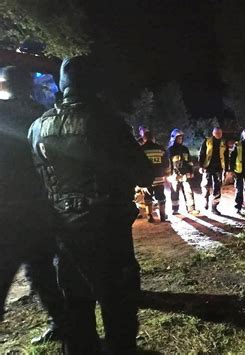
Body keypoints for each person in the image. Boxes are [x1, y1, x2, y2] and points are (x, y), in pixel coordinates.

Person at [28, 56, 154, 355]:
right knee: (118, 305)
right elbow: (143, 173)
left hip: (63, 228)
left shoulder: (37, 127)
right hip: (106, 226)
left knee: (76, 305)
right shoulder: (105, 121)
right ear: (95, 84)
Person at [0, 66, 66, 344]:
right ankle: (62, 324)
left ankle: (62, 324)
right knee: (41, 271)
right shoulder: (42, 114)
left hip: (9, 210)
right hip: (39, 207)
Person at [140, 130, 170, 223]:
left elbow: (137, 165)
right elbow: (166, 163)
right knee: (161, 197)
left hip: (146, 179)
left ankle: (150, 216)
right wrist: (167, 174)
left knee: (147, 197)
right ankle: (162, 215)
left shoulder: (141, 150)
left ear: (144, 139)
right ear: (153, 139)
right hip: (159, 178)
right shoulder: (160, 149)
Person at [167, 129, 199, 215]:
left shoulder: (185, 149)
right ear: (174, 138)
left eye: (181, 138)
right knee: (174, 193)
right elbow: (169, 163)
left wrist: (191, 171)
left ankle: (191, 209)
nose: (180, 139)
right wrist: (169, 174)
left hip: (185, 174)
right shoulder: (170, 150)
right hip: (174, 175)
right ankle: (175, 210)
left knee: (188, 192)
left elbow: (189, 161)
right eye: (178, 138)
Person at [198, 127, 229, 215]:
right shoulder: (207, 141)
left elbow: (226, 156)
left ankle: (214, 207)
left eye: (220, 133)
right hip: (207, 167)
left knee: (217, 188)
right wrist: (201, 166)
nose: (219, 134)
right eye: (217, 133)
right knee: (206, 185)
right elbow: (202, 153)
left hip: (219, 168)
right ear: (213, 133)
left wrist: (226, 169)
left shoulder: (224, 142)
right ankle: (206, 200)